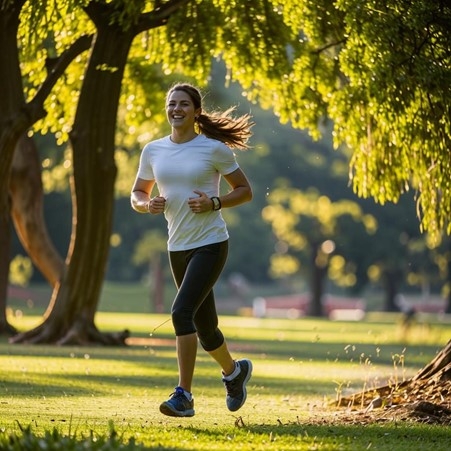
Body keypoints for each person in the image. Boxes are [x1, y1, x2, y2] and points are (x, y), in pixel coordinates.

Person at [130, 82, 254, 417]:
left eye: (184, 104)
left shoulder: (213, 149)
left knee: (180, 312)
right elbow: (137, 193)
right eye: (172, 104)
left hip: (211, 244)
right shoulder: (153, 151)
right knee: (206, 326)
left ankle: (183, 395)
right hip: (177, 246)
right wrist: (147, 204)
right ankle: (234, 371)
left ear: (196, 111)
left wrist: (214, 202)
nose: (176, 109)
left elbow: (244, 190)